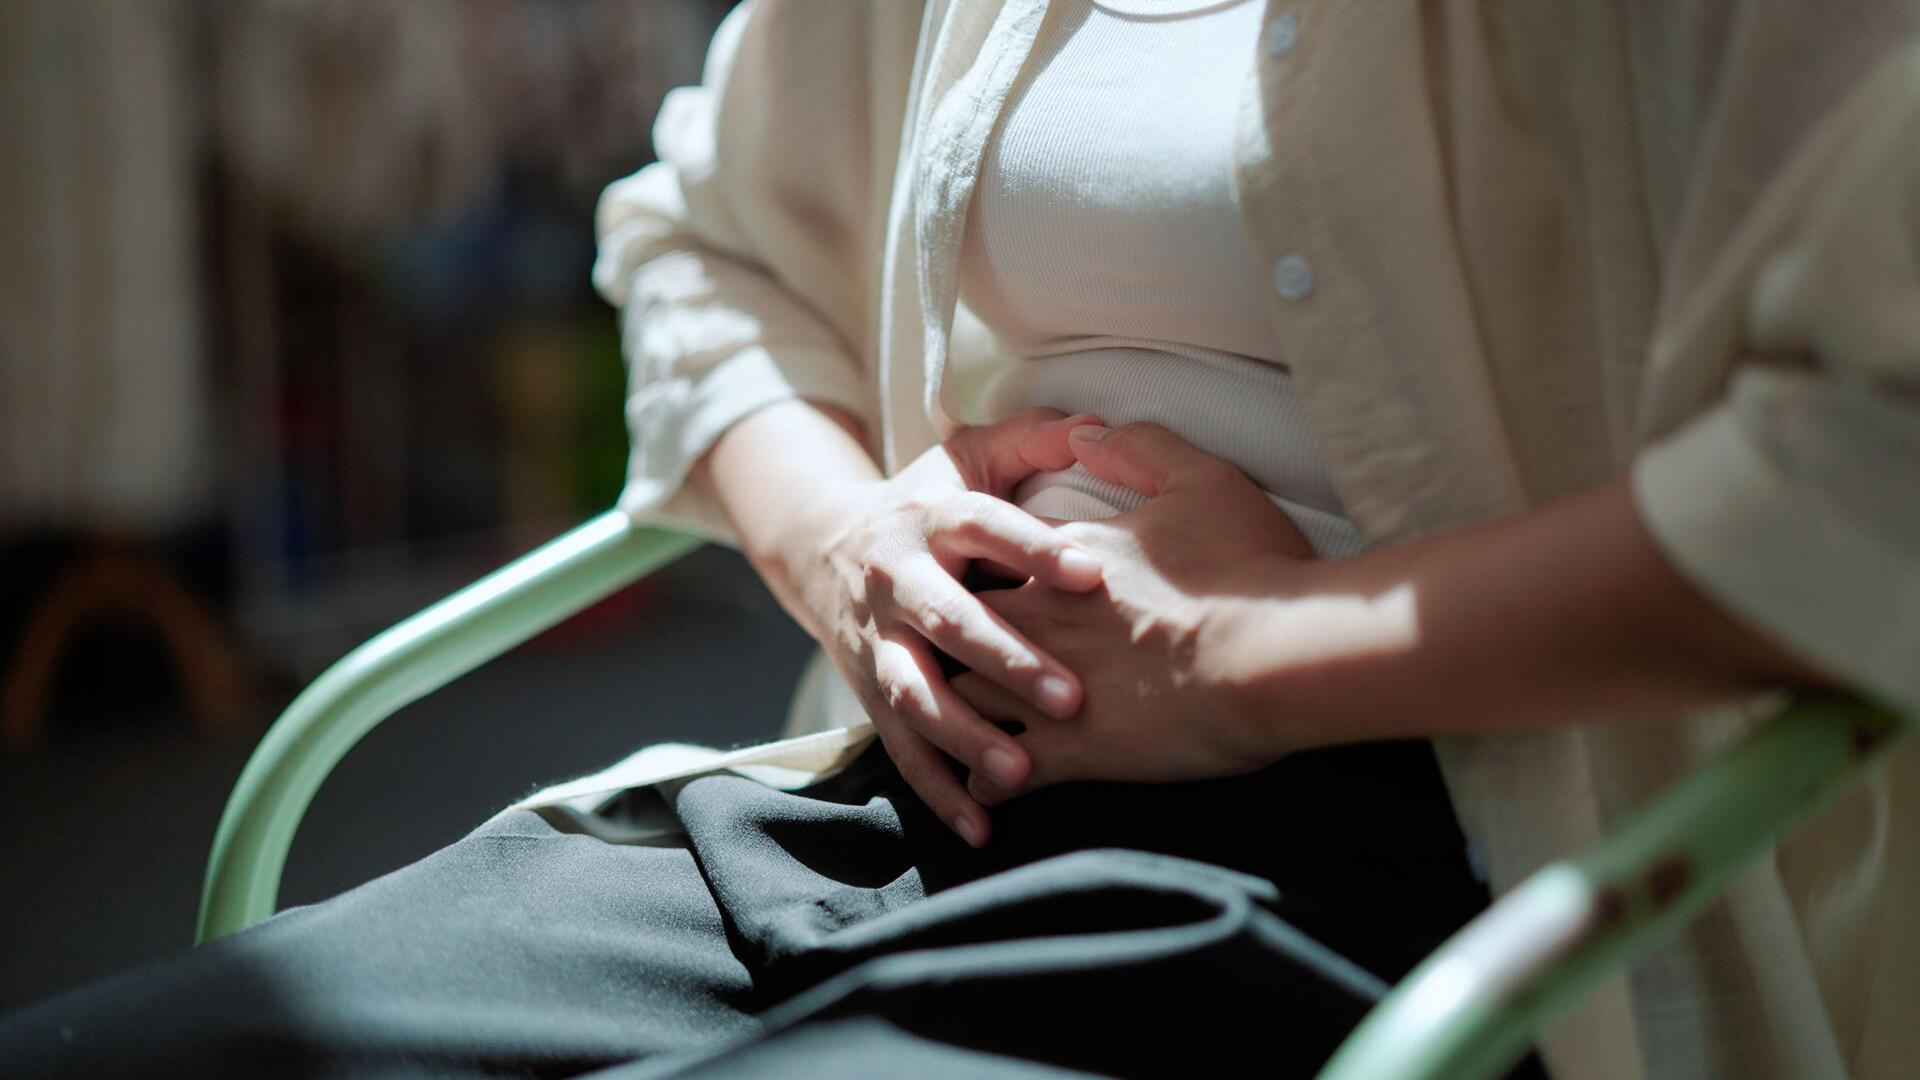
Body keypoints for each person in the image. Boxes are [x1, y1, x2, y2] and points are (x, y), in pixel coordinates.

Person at [5, 2, 1919, 1077]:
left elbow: (1872, 457)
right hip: (902, 819)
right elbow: (705, 243)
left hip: (1433, 887)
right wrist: (847, 543)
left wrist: (1246, 657)